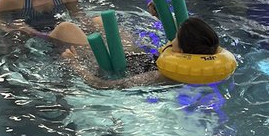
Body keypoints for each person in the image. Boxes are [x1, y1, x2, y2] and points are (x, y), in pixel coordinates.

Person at [53, 15, 220, 89]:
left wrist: (74, 65)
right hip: (138, 57)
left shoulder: (159, 76)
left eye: (175, 37)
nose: (172, 40)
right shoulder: (188, 57)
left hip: (111, 67)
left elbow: (102, 85)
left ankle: (38, 35)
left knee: (65, 29)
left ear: (181, 50)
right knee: (99, 21)